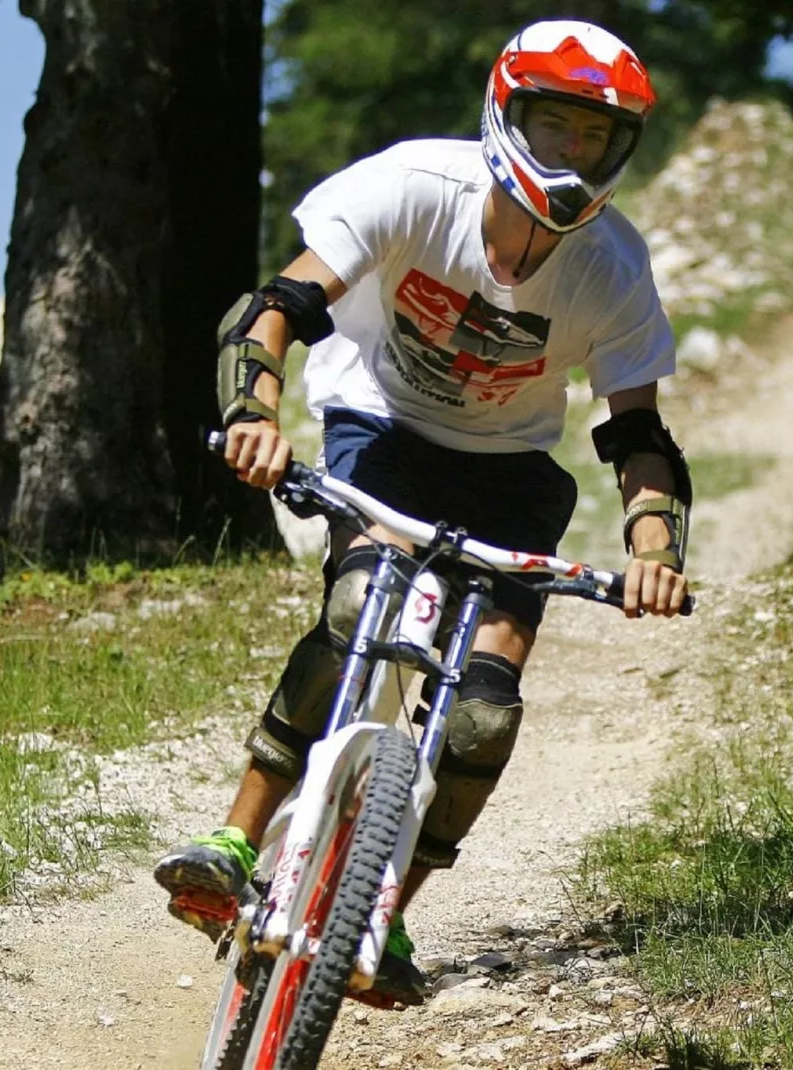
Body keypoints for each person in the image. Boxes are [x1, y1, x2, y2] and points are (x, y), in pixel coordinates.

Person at [152, 19, 691, 1008]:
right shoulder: (410, 186)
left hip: (509, 474)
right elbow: (275, 307)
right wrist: (252, 414)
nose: (569, 157)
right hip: (380, 429)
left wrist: (654, 545)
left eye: (593, 139)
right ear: (504, 112)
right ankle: (235, 836)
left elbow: (638, 435)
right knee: (362, 605)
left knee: (483, 712)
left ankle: (388, 906)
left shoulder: (613, 265)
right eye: (551, 126)